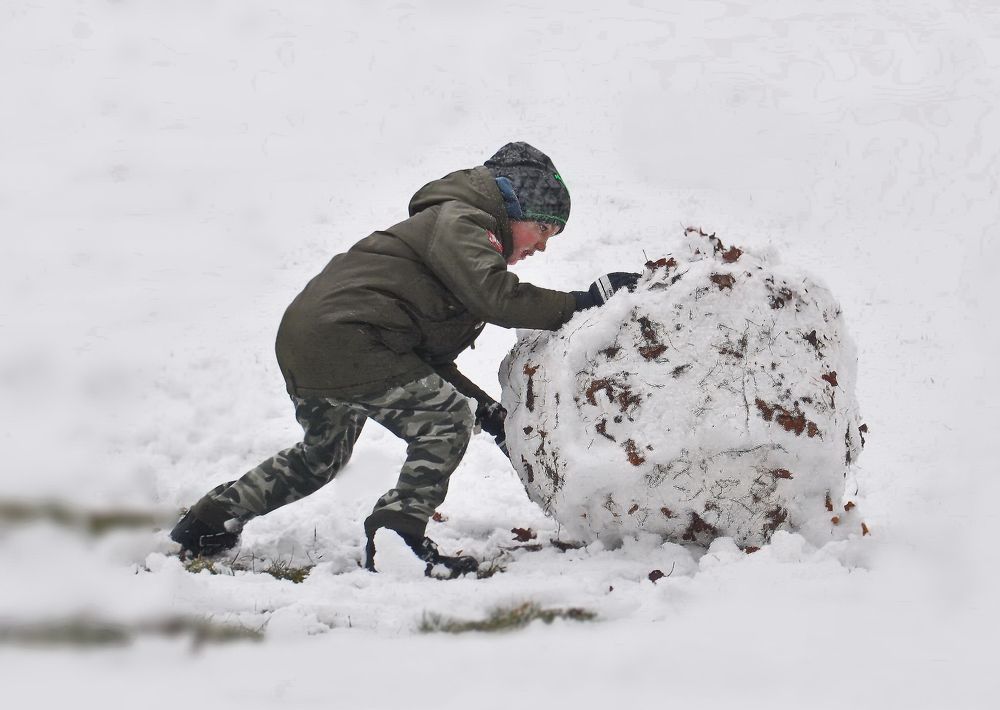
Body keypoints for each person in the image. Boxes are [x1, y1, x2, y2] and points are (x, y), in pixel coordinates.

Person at [169, 142, 639, 576]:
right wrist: (586, 302)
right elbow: (499, 299)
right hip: (349, 338)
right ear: (514, 204)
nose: (542, 245)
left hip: (315, 340)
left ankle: (208, 523)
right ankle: (397, 538)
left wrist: (490, 413)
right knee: (445, 421)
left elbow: (424, 361)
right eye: (543, 228)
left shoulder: (457, 231)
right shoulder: (463, 221)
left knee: (320, 457)